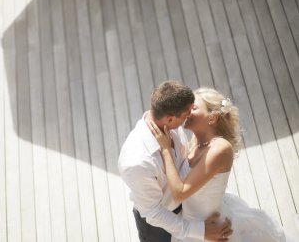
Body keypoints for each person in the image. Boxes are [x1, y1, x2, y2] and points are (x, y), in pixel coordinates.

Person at [148, 87, 298, 242]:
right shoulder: (194, 145)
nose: (187, 111)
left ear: (212, 118)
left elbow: (180, 192)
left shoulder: (220, 148)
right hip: (194, 230)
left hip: (215, 230)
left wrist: (166, 149)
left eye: (193, 108)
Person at [118, 81, 232, 242]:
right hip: (159, 228)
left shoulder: (173, 127)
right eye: (187, 114)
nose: (189, 117)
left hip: (190, 211)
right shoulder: (137, 162)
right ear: (170, 119)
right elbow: (154, 213)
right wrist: (200, 231)